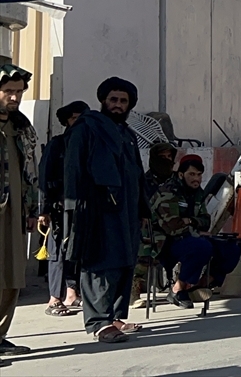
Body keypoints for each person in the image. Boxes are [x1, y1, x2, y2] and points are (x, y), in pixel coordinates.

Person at [63, 77, 147, 344]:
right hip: (97, 209)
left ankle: (114, 316)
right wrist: (74, 206)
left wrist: (143, 208)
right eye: (113, 100)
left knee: (124, 261)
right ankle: (99, 322)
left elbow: (137, 174)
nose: (118, 105)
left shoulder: (127, 134)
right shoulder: (87, 128)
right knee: (100, 262)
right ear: (103, 100)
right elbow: (73, 169)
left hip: (127, 210)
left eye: (123, 101)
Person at [151, 155, 241, 309]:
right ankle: (177, 290)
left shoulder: (197, 192)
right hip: (163, 243)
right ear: (181, 174)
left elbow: (206, 221)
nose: (196, 179)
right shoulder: (169, 192)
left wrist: (190, 221)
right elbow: (173, 227)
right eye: (191, 174)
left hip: (188, 237)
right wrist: (194, 226)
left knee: (232, 247)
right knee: (201, 247)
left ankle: (199, 286)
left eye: (199, 175)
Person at [0, 65, 39, 356]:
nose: (14, 98)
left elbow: (30, 171)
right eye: (8, 92)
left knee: (13, 273)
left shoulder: (22, 127)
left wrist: (32, 208)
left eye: (18, 92)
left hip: (14, 209)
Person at [38, 100, 90, 317]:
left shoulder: (88, 145)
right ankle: (54, 299)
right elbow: (44, 176)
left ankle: (71, 294)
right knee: (57, 253)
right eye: (74, 118)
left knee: (76, 252)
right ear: (67, 121)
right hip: (58, 209)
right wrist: (44, 209)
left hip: (82, 208)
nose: (78, 123)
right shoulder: (57, 144)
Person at [131, 141, 178, 309]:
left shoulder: (178, 180)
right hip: (151, 228)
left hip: (177, 226)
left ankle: (183, 287)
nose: (166, 161)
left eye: (169, 157)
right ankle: (134, 288)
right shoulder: (144, 181)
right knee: (148, 243)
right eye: (162, 157)